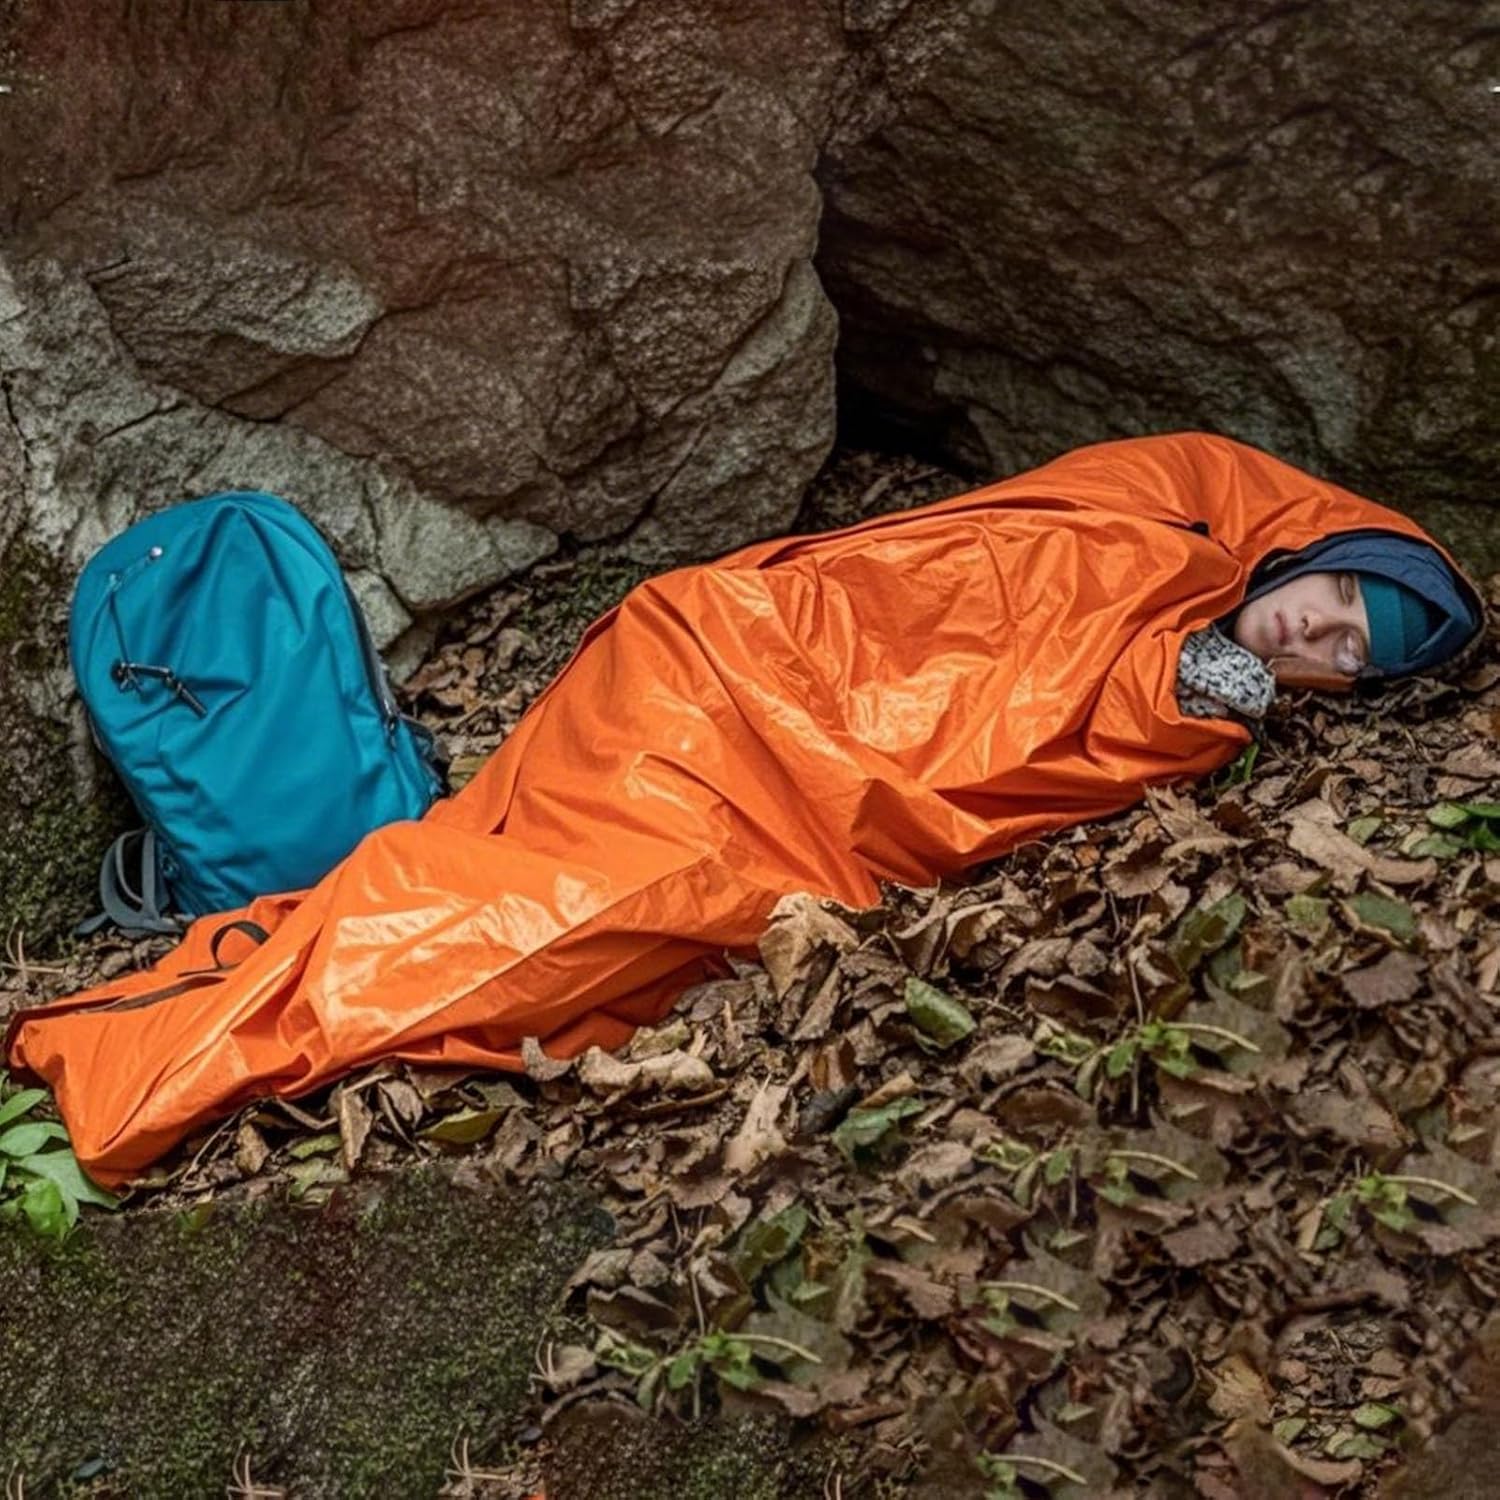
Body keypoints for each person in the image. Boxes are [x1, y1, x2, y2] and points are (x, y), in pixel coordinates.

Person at [6, 432, 1484, 1186]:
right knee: (535, 924)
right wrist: (1172, 686)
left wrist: (1181, 701)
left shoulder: (1210, 663)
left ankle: (170, 1019)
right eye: (1341, 602)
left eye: (1352, 656)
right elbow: (988, 641)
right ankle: (132, 1067)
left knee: (517, 916)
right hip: (728, 693)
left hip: (766, 765)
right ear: (1323, 547)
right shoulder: (1176, 518)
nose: (1319, 640)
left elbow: (1007, 775)